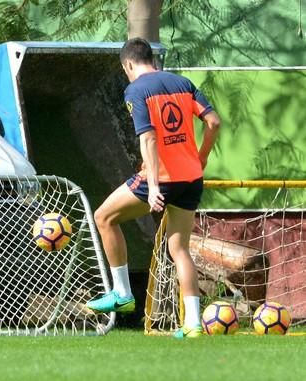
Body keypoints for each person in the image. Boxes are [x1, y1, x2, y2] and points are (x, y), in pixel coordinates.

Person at [85, 37, 221, 339]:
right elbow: (213, 122)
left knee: (104, 217)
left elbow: (147, 139)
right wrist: (201, 158)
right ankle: (194, 324)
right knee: (180, 248)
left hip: (161, 179)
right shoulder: (183, 83)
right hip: (191, 179)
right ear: (152, 59)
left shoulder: (135, 90)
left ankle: (121, 292)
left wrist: (156, 185)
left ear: (129, 64)